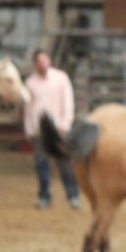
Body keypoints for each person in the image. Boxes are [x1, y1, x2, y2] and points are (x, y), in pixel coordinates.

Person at [23, 49, 80, 210]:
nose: (42, 63)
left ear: (49, 60)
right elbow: (28, 107)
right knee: (41, 163)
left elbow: (68, 102)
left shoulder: (61, 78)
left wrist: (65, 123)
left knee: (65, 163)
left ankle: (73, 195)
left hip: (58, 128)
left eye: (45, 60)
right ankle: (44, 196)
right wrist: (28, 128)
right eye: (39, 61)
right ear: (35, 64)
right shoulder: (30, 83)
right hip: (39, 129)